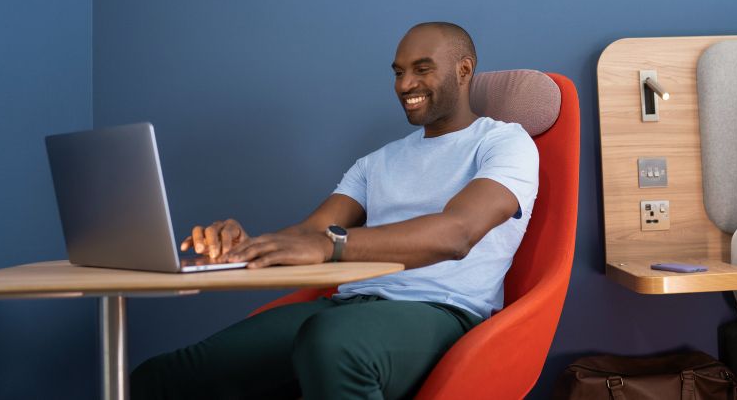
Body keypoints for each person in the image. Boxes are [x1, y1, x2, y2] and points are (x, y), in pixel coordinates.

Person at [130, 21, 539, 400]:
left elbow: (458, 233)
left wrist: (331, 245)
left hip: (442, 310)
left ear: (464, 70)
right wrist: (245, 244)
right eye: (398, 72)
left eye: (422, 69)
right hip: (349, 305)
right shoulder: (377, 161)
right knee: (158, 377)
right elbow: (311, 232)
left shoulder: (504, 143)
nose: (405, 84)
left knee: (331, 343)